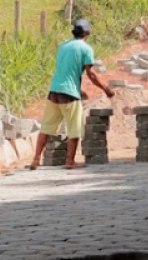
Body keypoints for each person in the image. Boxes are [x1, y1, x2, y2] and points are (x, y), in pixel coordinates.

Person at [29, 19, 114, 170]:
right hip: (69, 95)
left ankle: (35, 159)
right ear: (88, 32)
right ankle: (70, 161)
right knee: (75, 128)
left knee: (46, 128)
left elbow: (65, 70)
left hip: (54, 91)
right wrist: (105, 89)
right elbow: (91, 74)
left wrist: (78, 88)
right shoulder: (86, 49)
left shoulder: (63, 46)